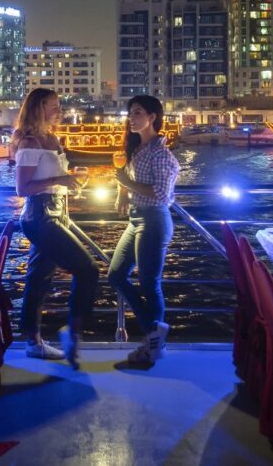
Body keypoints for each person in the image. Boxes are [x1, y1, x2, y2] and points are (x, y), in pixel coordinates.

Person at [13, 88, 99, 368]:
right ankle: (72, 332)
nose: (59, 110)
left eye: (59, 105)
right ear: (38, 109)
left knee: (39, 280)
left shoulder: (52, 139)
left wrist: (70, 182)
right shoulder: (29, 143)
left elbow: (53, 179)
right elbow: (23, 188)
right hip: (40, 217)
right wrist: (62, 179)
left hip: (58, 212)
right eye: (53, 106)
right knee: (88, 269)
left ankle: (33, 341)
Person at [109, 95, 180, 364]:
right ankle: (154, 333)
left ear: (152, 117)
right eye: (130, 113)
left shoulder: (161, 154)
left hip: (153, 220)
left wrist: (127, 183)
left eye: (138, 112)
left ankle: (152, 343)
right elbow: (129, 179)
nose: (132, 117)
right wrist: (123, 193)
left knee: (150, 283)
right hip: (136, 219)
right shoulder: (137, 149)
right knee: (116, 275)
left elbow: (161, 194)